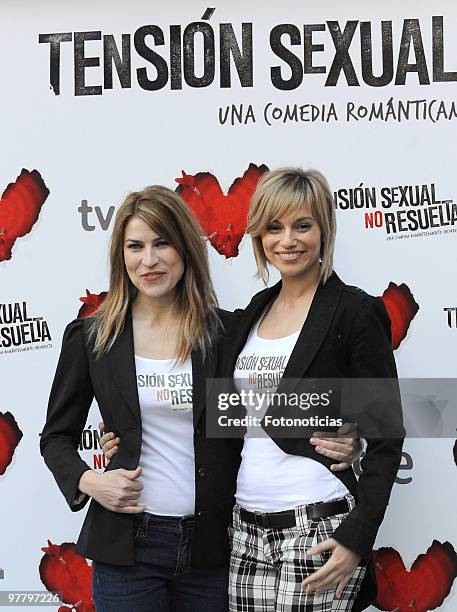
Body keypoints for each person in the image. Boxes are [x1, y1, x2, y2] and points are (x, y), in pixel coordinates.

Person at [41, 184, 359, 612]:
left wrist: (343, 431)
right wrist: (89, 481)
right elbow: (56, 437)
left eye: (162, 243)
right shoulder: (93, 338)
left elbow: (262, 410)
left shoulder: (228, 334)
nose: (149, 260)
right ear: (121, 256)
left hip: (213, 547)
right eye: (135, 246)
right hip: (128, 548)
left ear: (186, 250)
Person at [220, 167, 404, 611]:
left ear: (324, 229)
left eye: (303, 225)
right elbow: (227, 417)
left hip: (318, 528)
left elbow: (387, 434)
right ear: (259, 236)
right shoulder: (250, 316)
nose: (288, 240)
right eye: (274, 227)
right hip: (245, 533)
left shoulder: (354, 313)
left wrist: (356, 538)